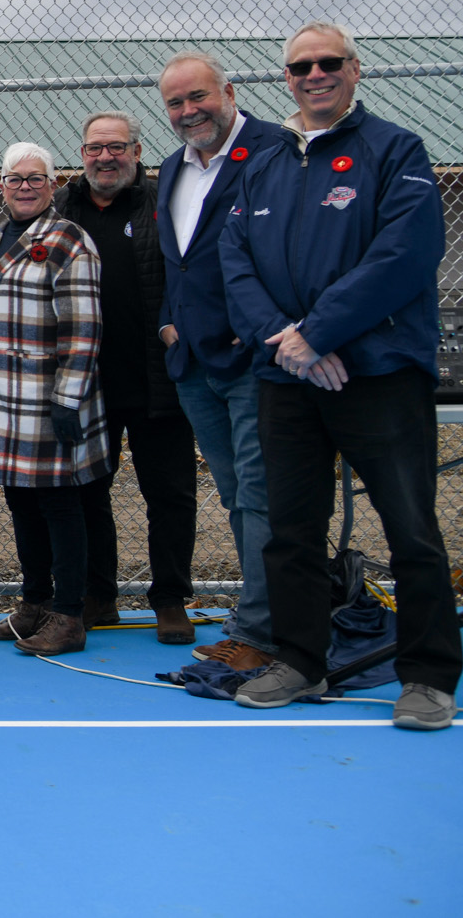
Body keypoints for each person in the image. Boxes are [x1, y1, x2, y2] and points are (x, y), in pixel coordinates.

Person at [223, 23, 459, 730]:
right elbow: (234, 259)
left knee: (411, 528)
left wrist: (317, 333)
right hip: (287, 379)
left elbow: (405, 255)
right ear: (286, 77)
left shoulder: (397, 150)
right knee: (291, 529)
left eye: (329, 62)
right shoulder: (262, 163)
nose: (315, 73)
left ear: (355, 70)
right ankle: (301, 659)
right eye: (301, 65)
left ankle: (428, 673)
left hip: (378, 375)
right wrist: (285, 341)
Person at [154, 51, 285, 671]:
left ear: (228, 92)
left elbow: (291, 254)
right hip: (194, 366)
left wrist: (260, 333)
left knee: (262, 496)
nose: (188, 111)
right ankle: (261, 621)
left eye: (197, 97)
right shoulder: (172, 168)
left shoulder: (275, 152)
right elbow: (175, 260)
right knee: (236, 495)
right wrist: (166, 323)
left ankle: (261, 634)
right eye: (176, 103)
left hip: (257, 362)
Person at [53, 111, 199, 642]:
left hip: (159, 380)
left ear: (137, 152)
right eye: (95, 148)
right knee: (88, 492)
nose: (105, 157)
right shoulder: (60, 207)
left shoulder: (167, 203)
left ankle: (169, 599)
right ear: (83, 153)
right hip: (87, 384)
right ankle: (99, 594)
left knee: (170, 494)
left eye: (117, 147)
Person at [0, 142, 107, 657]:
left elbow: (84, 328)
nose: (24, 186)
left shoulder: (70, 241)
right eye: (14, 178)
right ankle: (33, 603)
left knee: (60, 504)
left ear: (54, 184)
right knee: (20, 500)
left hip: (51, 400)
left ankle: (69, 613)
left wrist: (68, 399)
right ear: (0, 184)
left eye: (35, 177)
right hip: (4, 401)